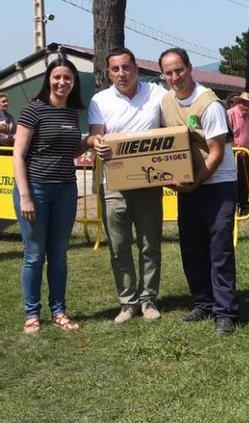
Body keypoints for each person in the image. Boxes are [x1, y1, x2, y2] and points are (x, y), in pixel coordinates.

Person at [158, 48, 239, 336]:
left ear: (190, 68)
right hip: (188, 183)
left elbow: (216, 153)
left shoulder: (210, 104)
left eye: (179, 70)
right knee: (191, 247)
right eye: (168, 73)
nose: (174, 77)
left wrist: (196, 182)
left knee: (219, 249)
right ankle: (203, 302)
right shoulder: (166, 100)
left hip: (218, 183)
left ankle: (225, 312)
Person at [86, 47, 165, 324]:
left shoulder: (157, 93)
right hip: (114, 184)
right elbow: (94, 137)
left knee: (149, 244)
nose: (122, 73)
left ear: (136, 68)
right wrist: (97, 144)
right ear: (109, 72)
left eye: (126, 67)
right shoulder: (100, 100)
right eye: (116, 69)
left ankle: (148, 299)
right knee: (119, 247)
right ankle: (128, 302)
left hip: (149, 182)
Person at [12, 57, 85, 334]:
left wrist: (88, 142)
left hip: (66, 190)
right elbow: (18, 156)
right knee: (34, 254)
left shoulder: (71, 114)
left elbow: (69, 151)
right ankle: (32, 314)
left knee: (59, 255)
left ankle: (59, 311)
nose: (62, 82)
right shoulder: (34, 110)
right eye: (57, 77)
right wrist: (26, 195)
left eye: (68, 78)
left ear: (74, 82)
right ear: (48, 79)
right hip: (35, 190)